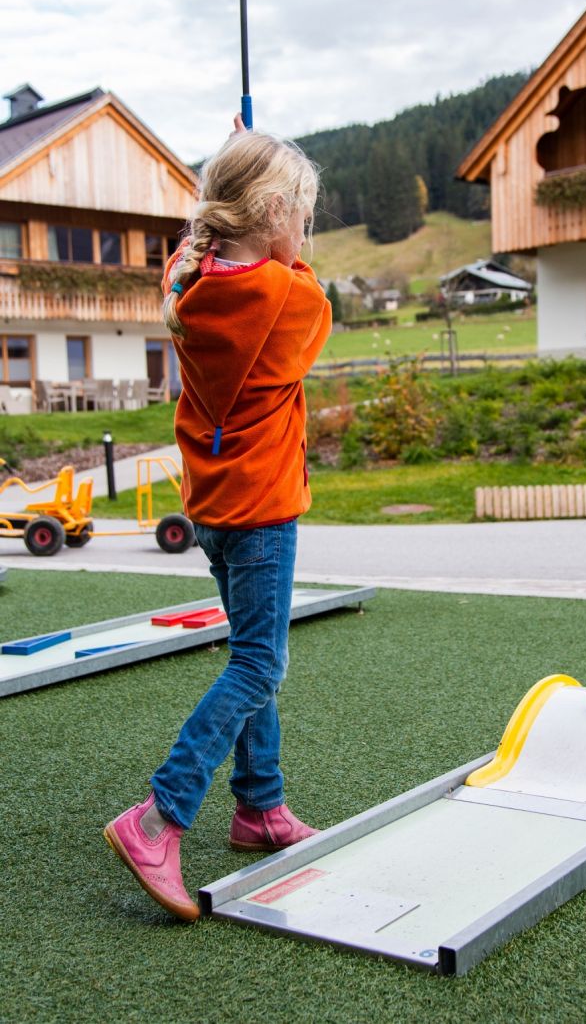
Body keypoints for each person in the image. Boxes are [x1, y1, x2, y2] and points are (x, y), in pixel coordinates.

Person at [104, 119, 332, 921]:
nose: (305, 234)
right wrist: (275, 234)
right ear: (271, 214)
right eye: (300, 216)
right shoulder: (293, 297)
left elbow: (203, 247)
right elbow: (303, 282)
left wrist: (242, 178)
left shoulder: (187, 282)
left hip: (210, 507)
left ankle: (259, 807)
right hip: (264, 510)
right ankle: (160, 815)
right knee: (260, 666)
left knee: (250, 652)